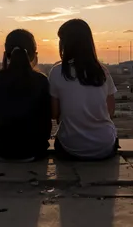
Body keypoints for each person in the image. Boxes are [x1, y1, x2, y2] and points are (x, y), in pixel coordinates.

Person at [49, 19, 118, 161]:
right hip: (104, 147)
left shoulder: (57, 72)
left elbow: (54, 113)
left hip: (71, 147)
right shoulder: (102, 72)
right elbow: (110, 111)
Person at [0, 29, 51, 161]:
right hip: (33, 150)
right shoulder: (41, 81)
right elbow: (47, 118)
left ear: (7, 54)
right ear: (34, 55)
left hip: (0, 149)